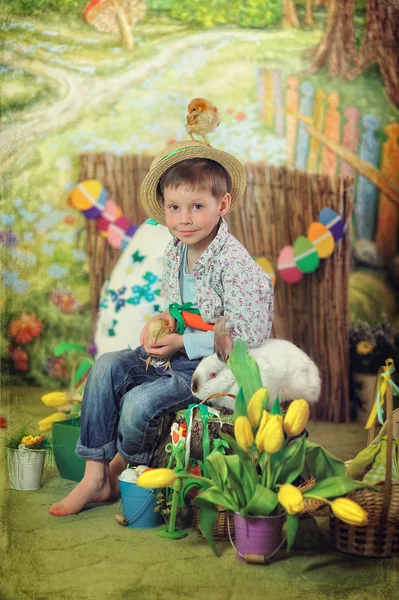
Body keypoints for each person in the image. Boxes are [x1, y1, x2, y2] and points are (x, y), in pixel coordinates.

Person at [49, 140, 274, 516]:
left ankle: (126, 465)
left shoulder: (236, 264)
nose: (184, 219)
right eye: (174, 208)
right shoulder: (176, 250)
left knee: (140, 402)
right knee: (106, 366)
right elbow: (175, 307)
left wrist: (181, 343)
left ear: (223, 205)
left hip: (212, 369)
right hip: (176, 354)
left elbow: (248, 336)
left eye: (197, 207)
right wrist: (163, 322)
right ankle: (94, 475)